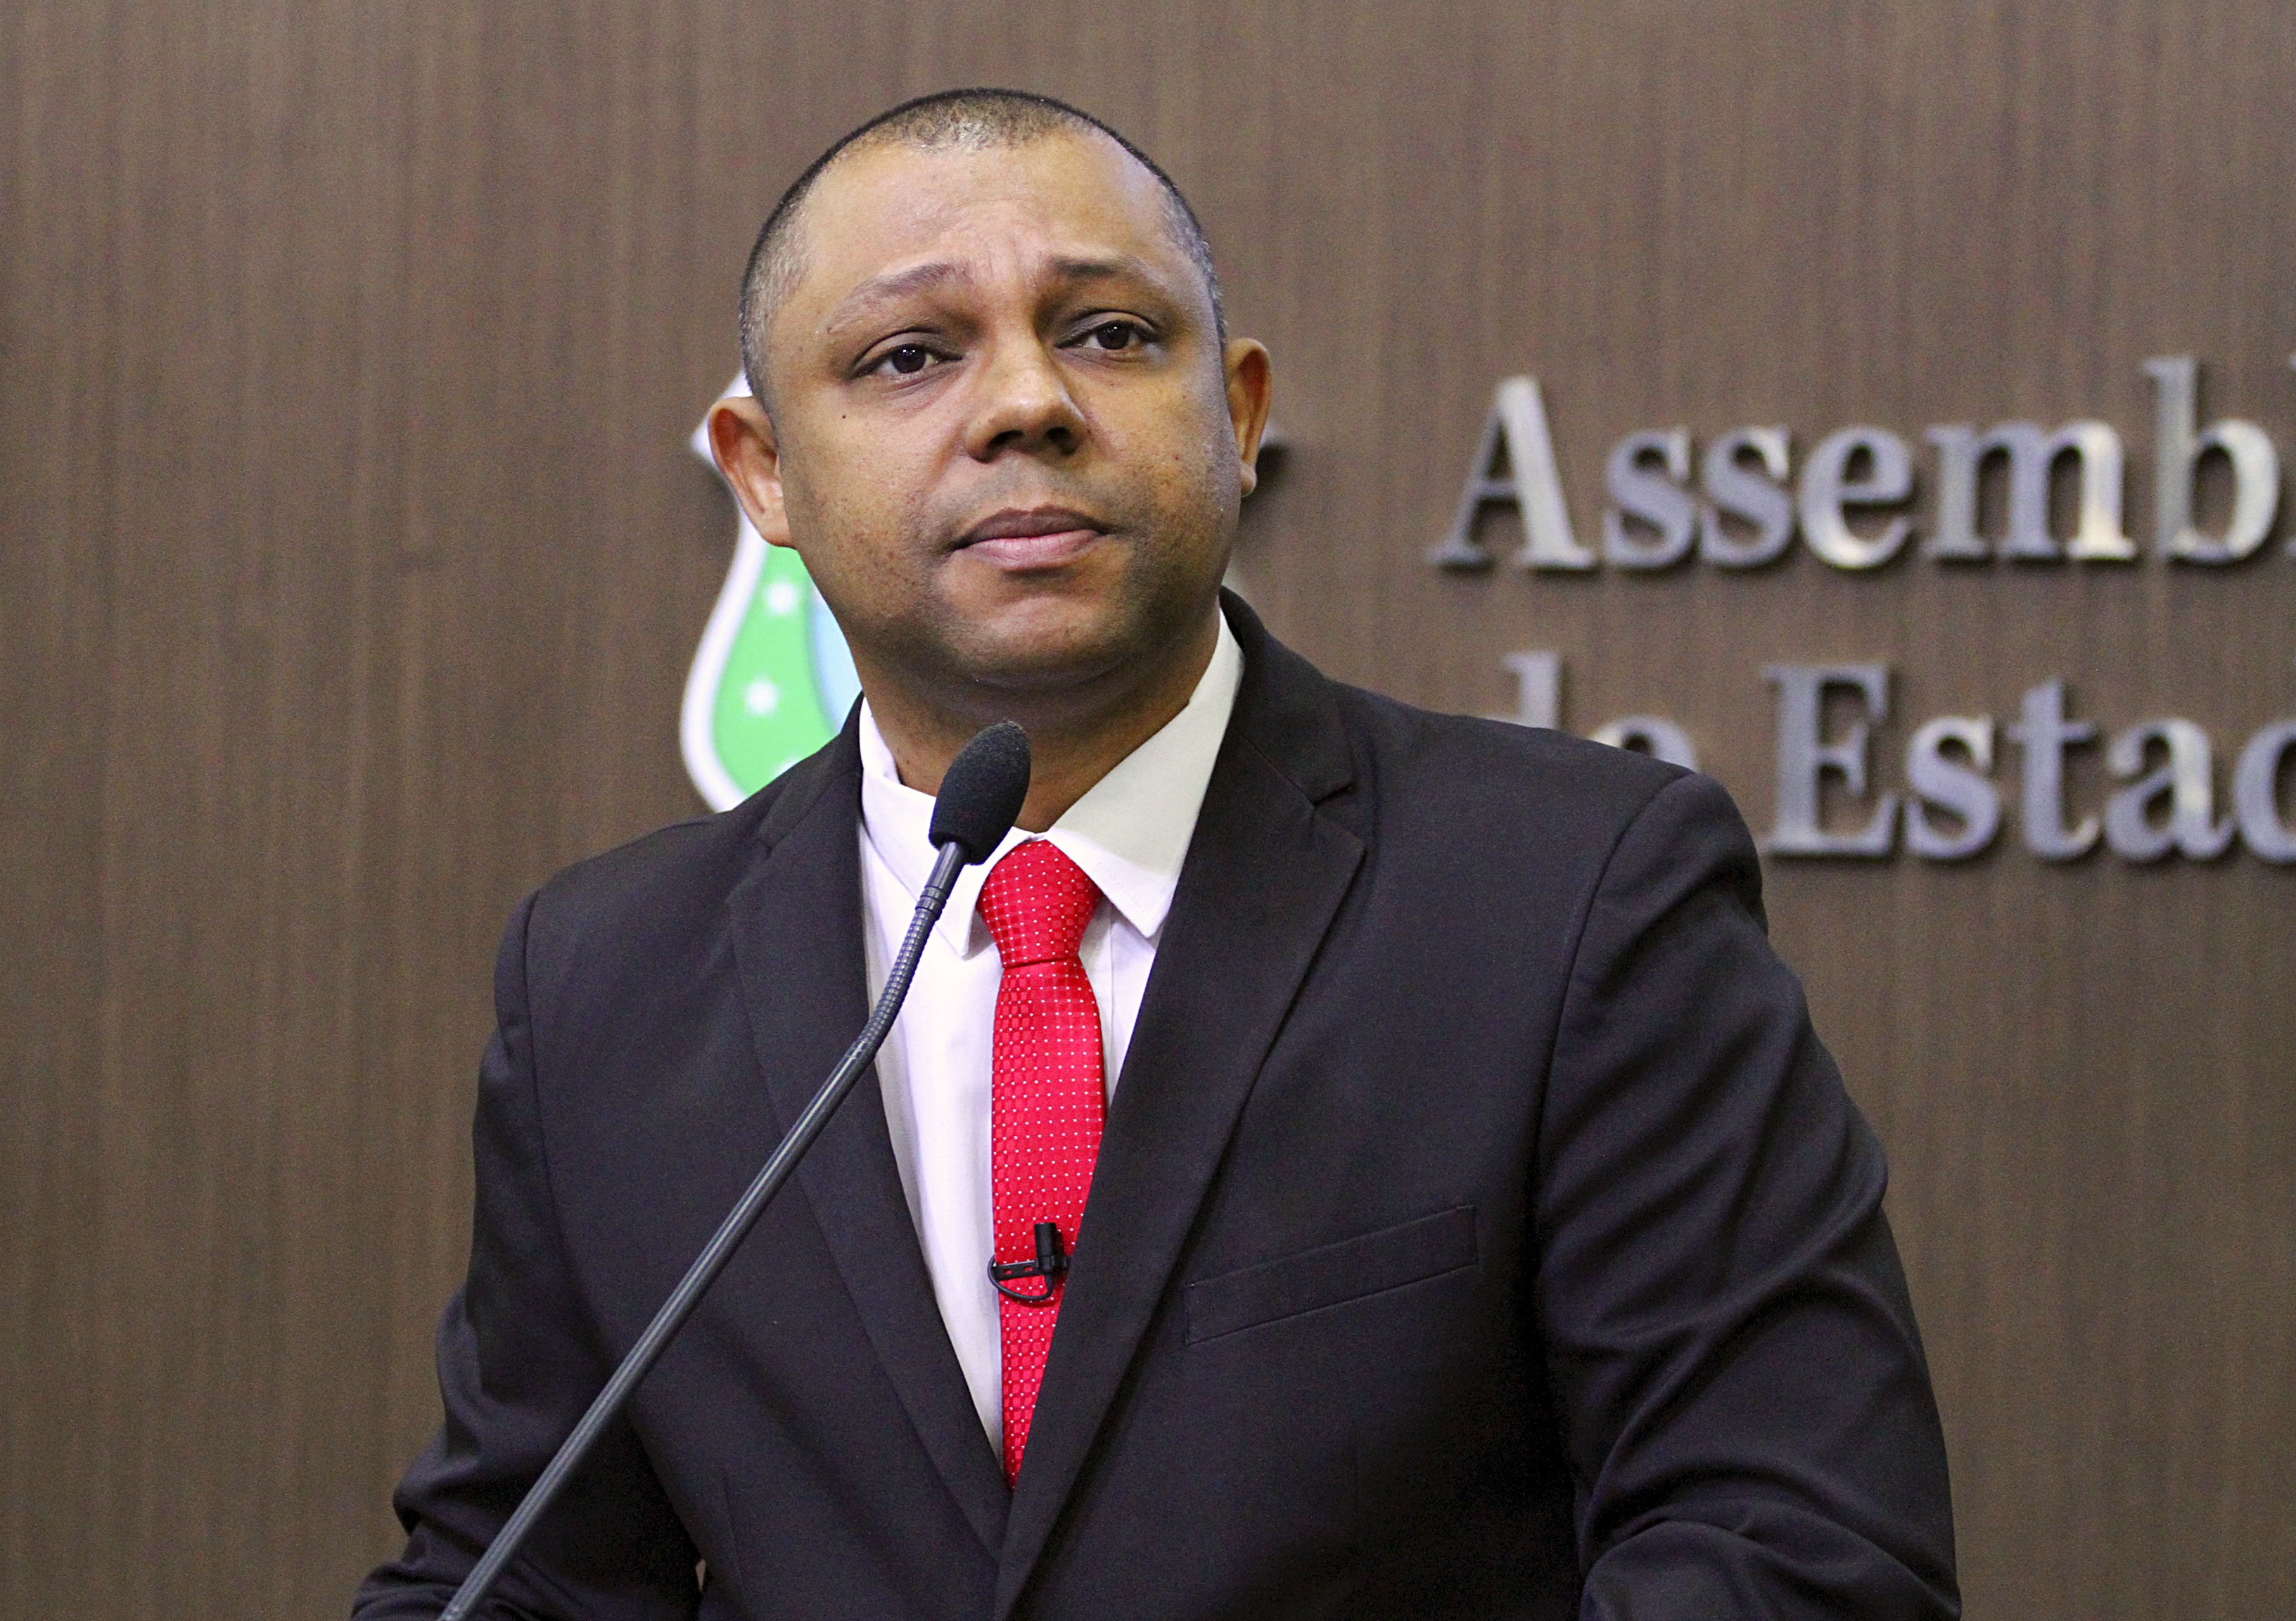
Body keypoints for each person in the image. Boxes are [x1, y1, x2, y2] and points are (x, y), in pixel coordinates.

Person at [356, 89, 1959, 1621]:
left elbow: (1793, 1550)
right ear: (763, 470)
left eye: (1111, 335)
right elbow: (526, 1578)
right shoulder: (608, 982)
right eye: (911, 355)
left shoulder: (1572, 897)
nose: (1028, 404)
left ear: (1239, 413)